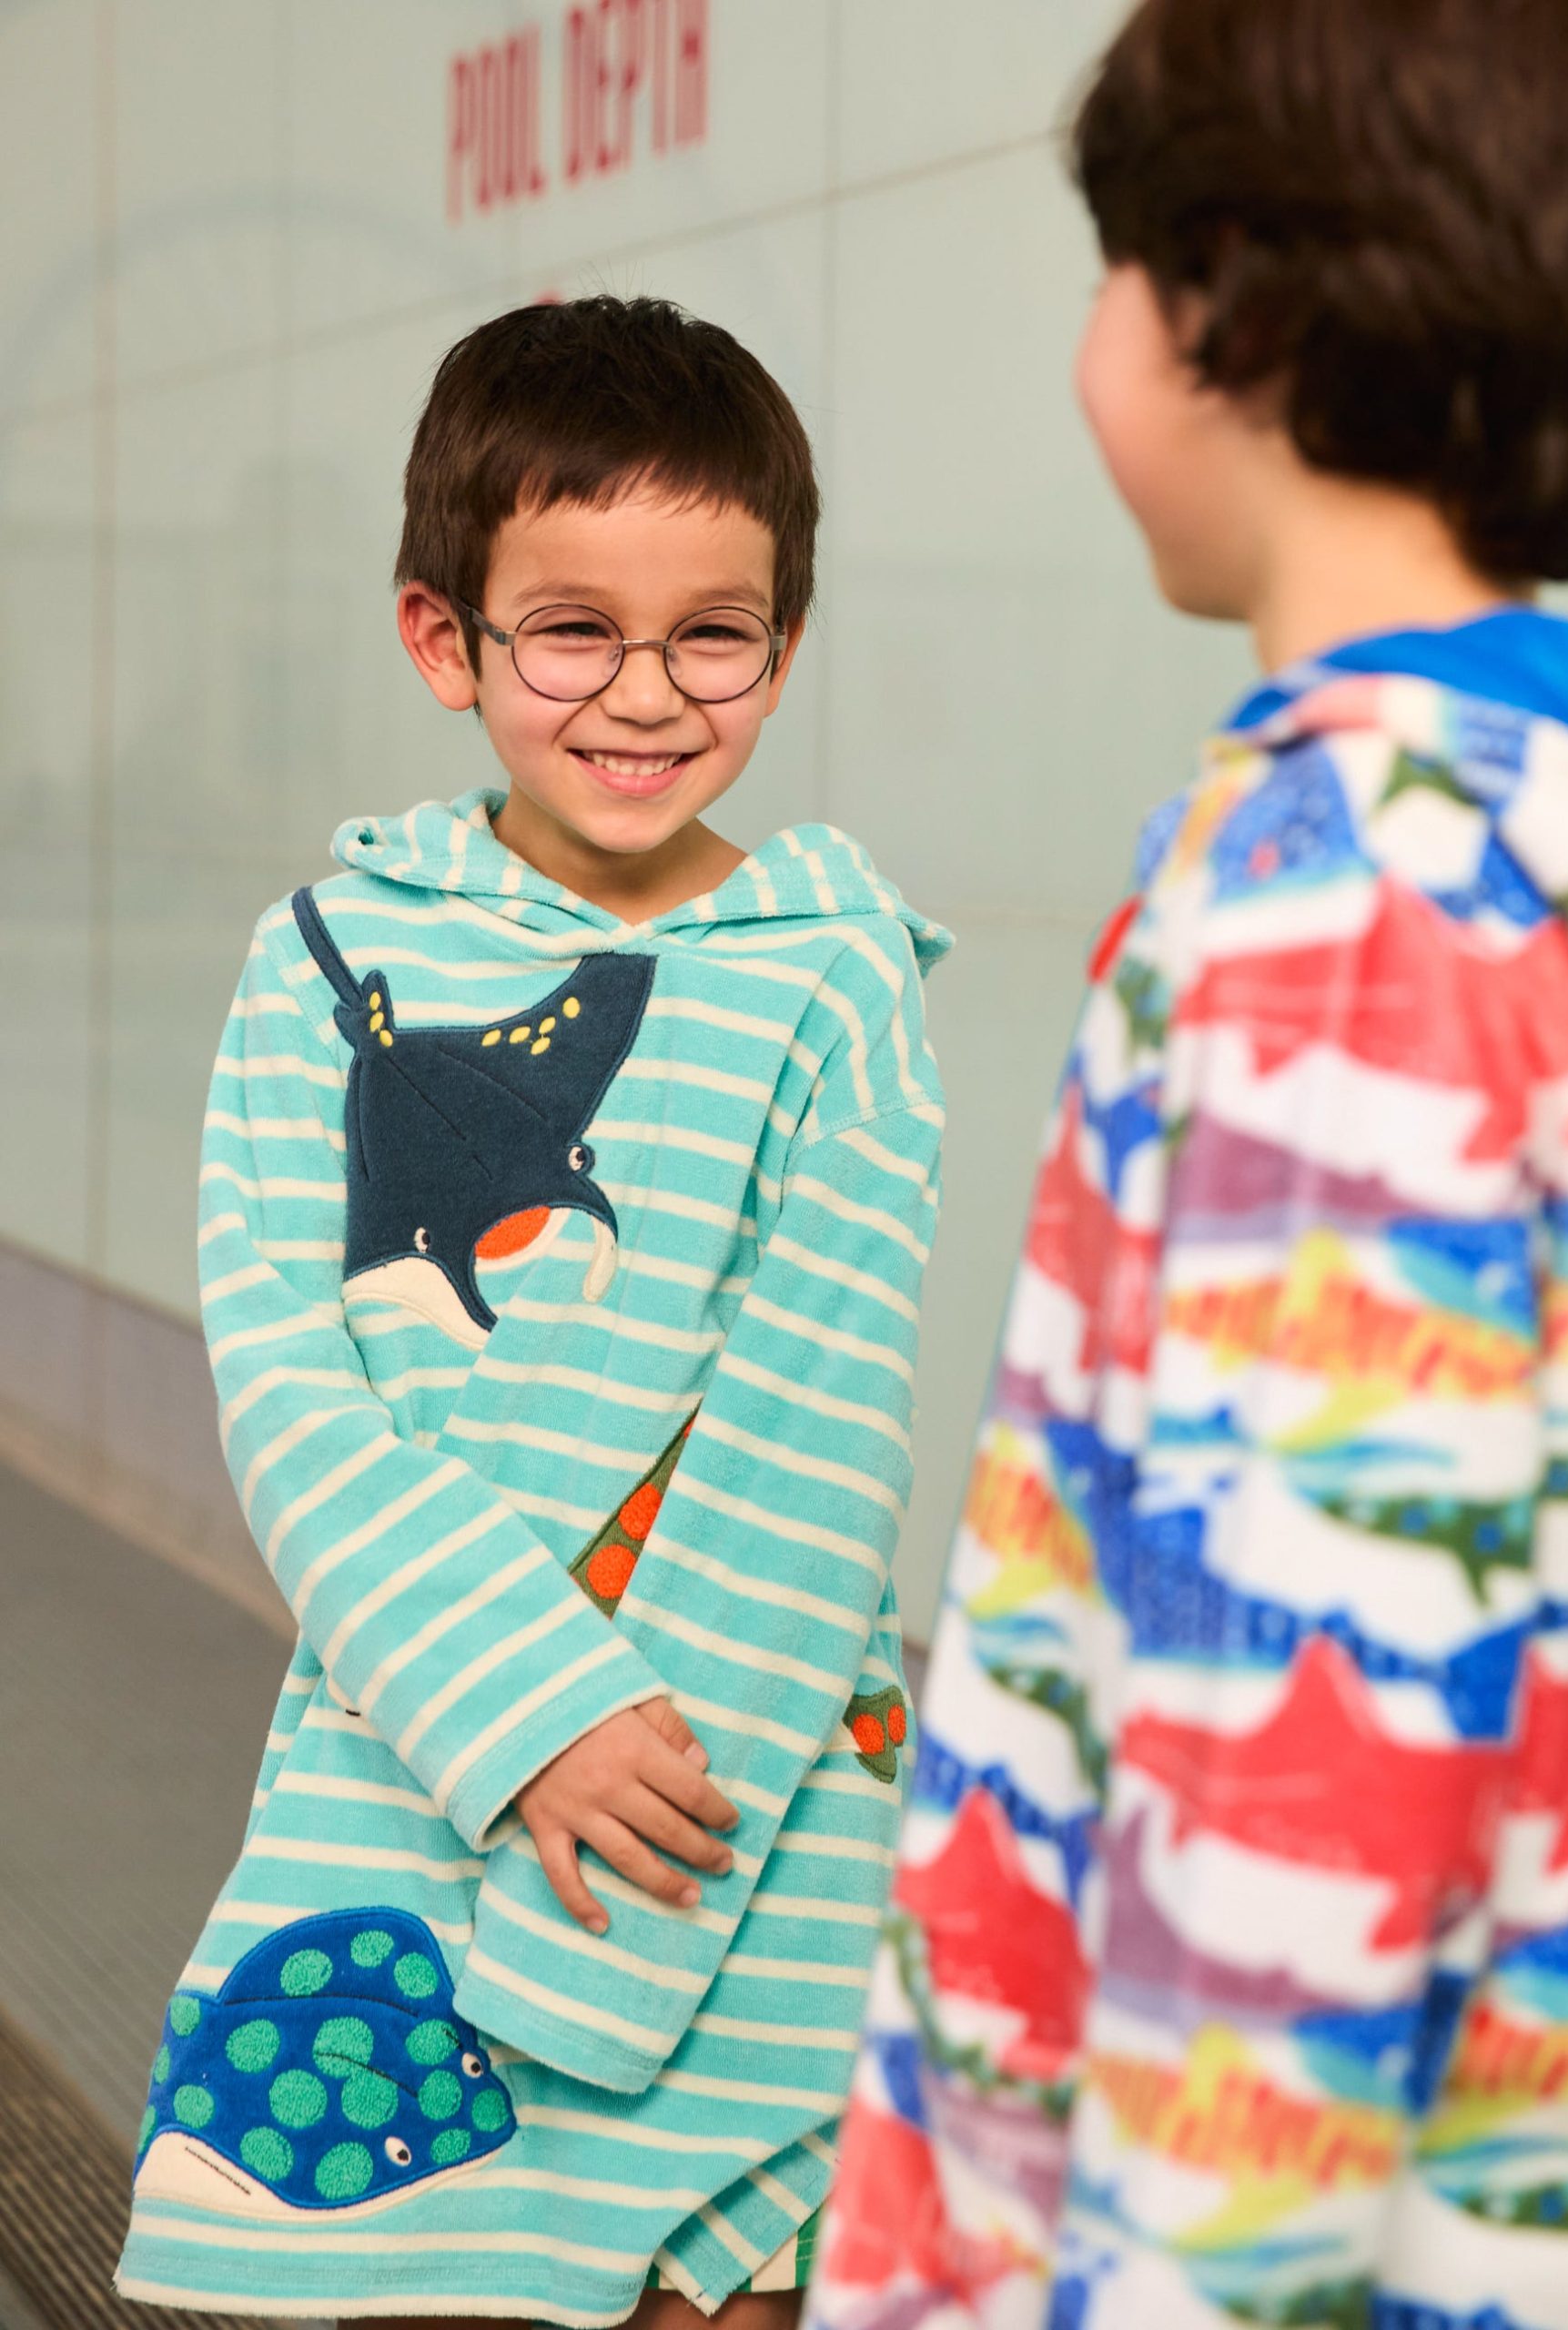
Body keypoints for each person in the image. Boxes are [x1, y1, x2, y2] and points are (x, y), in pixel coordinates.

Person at [806, 2, 1568, 2325]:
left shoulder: (1356, 905)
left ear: (1229, 306)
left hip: (1296, 2240)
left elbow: (1312, 1749)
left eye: (1114, 260)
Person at [113, 295, 948, 2330]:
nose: (644, 695)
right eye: (572, 629)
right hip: (417, 1757)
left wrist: (618, 1909)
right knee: (410, 2253)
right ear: (444, 637)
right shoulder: (322, 958)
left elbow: (816, 1439)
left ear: (785, 642)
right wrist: (530, 1719)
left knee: (728, 2285)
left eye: (713, 635)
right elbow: (293, 1393)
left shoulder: (836, 978)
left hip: (728, 1812)